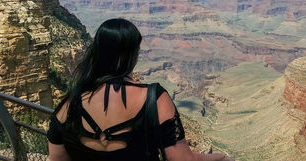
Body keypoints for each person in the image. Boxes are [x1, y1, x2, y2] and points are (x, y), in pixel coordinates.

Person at [47, 18, 234, 161]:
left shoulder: (68, 106)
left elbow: (57, 158)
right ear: (133, 56)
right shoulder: (154, 98)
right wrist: (220, 158)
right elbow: (182, 158)